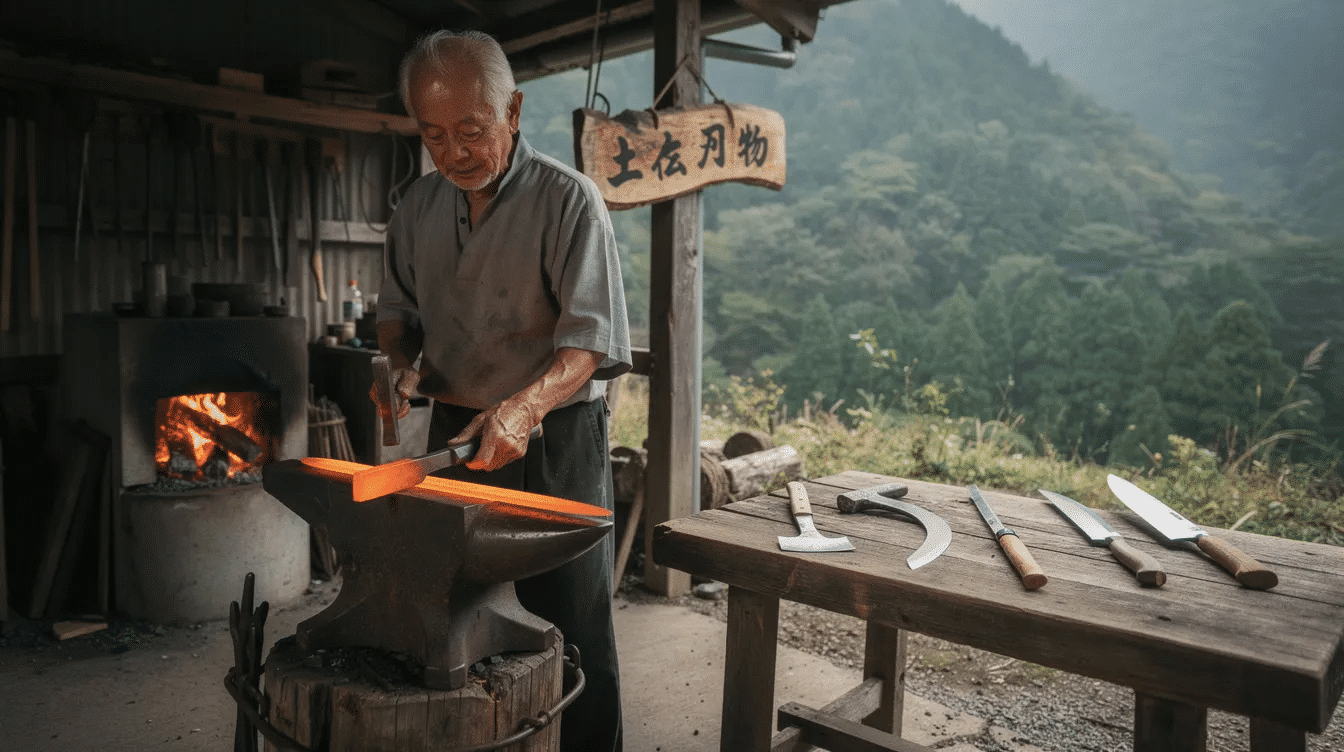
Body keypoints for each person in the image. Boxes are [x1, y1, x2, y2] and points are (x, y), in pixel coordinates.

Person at [374, 29, 631, 752]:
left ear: (514, 111)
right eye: (433, 135)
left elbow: (589, 344)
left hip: (554, 437)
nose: (454, 152)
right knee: (462, 616)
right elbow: (397, 320)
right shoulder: (415, 209)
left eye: (471, 131)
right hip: (454, 436)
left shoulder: (569, 202)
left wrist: (523, 406)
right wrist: (400, 368)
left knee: (574, 625)